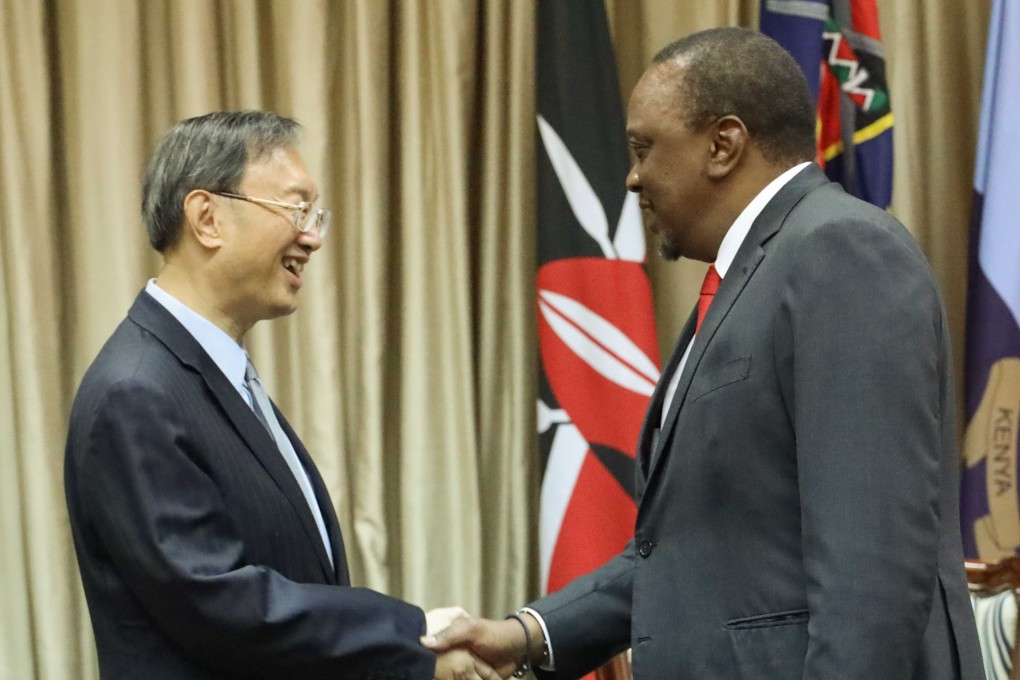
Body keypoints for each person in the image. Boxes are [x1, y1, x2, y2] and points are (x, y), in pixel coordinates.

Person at [425, 27, 984, 680]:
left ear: (723, 145)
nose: (632, 177)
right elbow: (687, 550)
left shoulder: (842, 253)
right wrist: (524, 635)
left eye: (645, 148)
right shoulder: (750, 276)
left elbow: (872, 571)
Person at [64, 111, 495, 680]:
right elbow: (218, 602)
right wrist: (412, 640)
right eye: (297, 209)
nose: (313, 237)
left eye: (316, 215)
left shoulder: (213, 374)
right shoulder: (137, 391)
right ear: (207, 218)